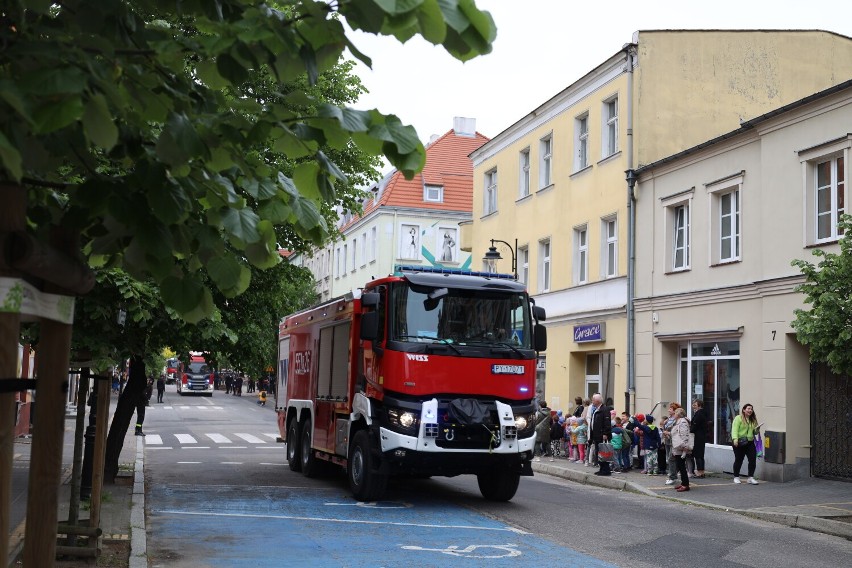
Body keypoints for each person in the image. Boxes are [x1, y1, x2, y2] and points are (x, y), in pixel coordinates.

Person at [731, 403, 760, 484]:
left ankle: (750, 477)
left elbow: (755, 432)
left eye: (751, 409)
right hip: (739, 442)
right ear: (744, 410)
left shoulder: (753, 420)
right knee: (739, 459)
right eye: (748, 408)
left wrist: (757, 429)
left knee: (752, 460)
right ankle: (736, 477)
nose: (750, 410)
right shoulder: (738, 418)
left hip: (750, 442)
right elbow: (734, 429)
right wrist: (735, 439)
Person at [589, 393, 612, 476]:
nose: (592, 402)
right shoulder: (596, 410)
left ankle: (606, 470)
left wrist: (605, 433)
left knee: (603, 452)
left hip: (602, 435)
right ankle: (601, 468)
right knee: (599, 453)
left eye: (593, 400)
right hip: (596, 435)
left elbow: (607, 422)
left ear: (597, 401)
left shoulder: (604, 410)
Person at [671, 407, 692, 492]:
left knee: (682, 466)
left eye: (675, 413)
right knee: (680, 465)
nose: (674, 414)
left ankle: (685, 484)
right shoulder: (678, 422)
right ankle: (683, 483)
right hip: (678, 446)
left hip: (681, 447)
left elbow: (684, 435)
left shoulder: (682, 422)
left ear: (679, 414)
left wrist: (684, 446)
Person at [662, 402, 681, 485]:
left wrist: (667, 432)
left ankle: (673, 476)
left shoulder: (677, 420)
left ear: (675, 411)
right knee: (669, 459)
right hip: (667, 440)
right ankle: (673, 474)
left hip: (673, 441)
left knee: (671, 458)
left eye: (670, 409)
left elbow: (675, 430)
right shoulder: (669, 419)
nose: (668, 410)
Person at [690, 399, 708, 478]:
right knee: (700, 455)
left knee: (698, 455)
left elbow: (695, 426)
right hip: (701, 436)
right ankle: (701, 471)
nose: (693, 406)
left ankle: (700, 472)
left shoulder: (699, 414)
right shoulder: (702, 413)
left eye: (695, 404)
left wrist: (689, 430)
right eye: (693, 404)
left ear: (699, 405)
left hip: (698, 437)